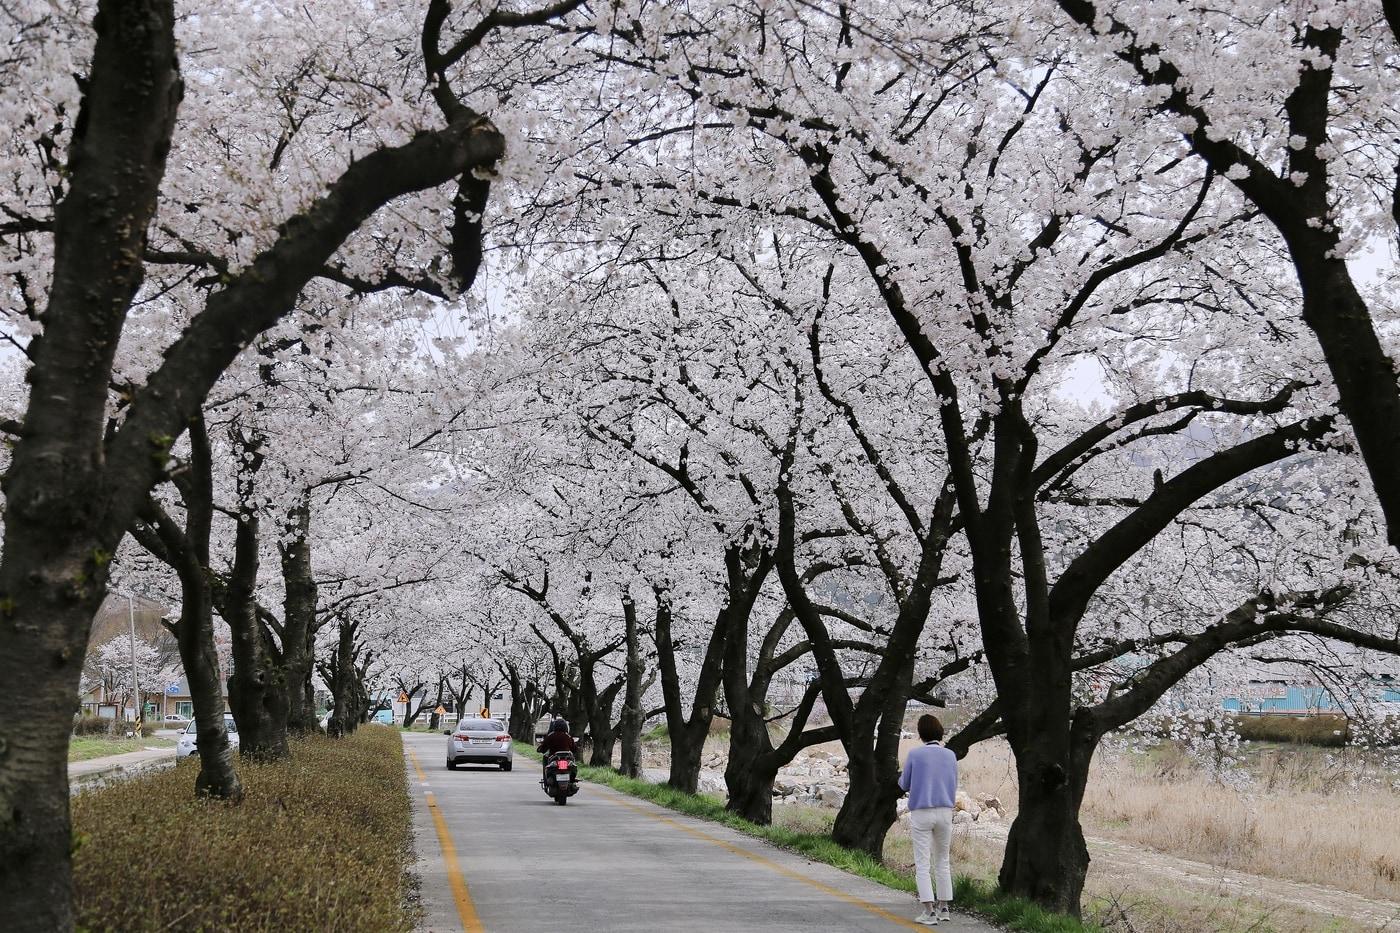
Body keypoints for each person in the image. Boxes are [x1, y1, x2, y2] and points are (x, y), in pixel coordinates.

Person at [898, 714, 957, 926]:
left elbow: (904, 784)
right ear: (940, 732)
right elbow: (953, 783)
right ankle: (944, 907)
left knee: (923, 863)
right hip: (944, 811)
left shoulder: (915, 754)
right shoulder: (950, 755)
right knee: (943, 860)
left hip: (922, 812)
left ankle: (929, 911)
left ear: (921, 733)